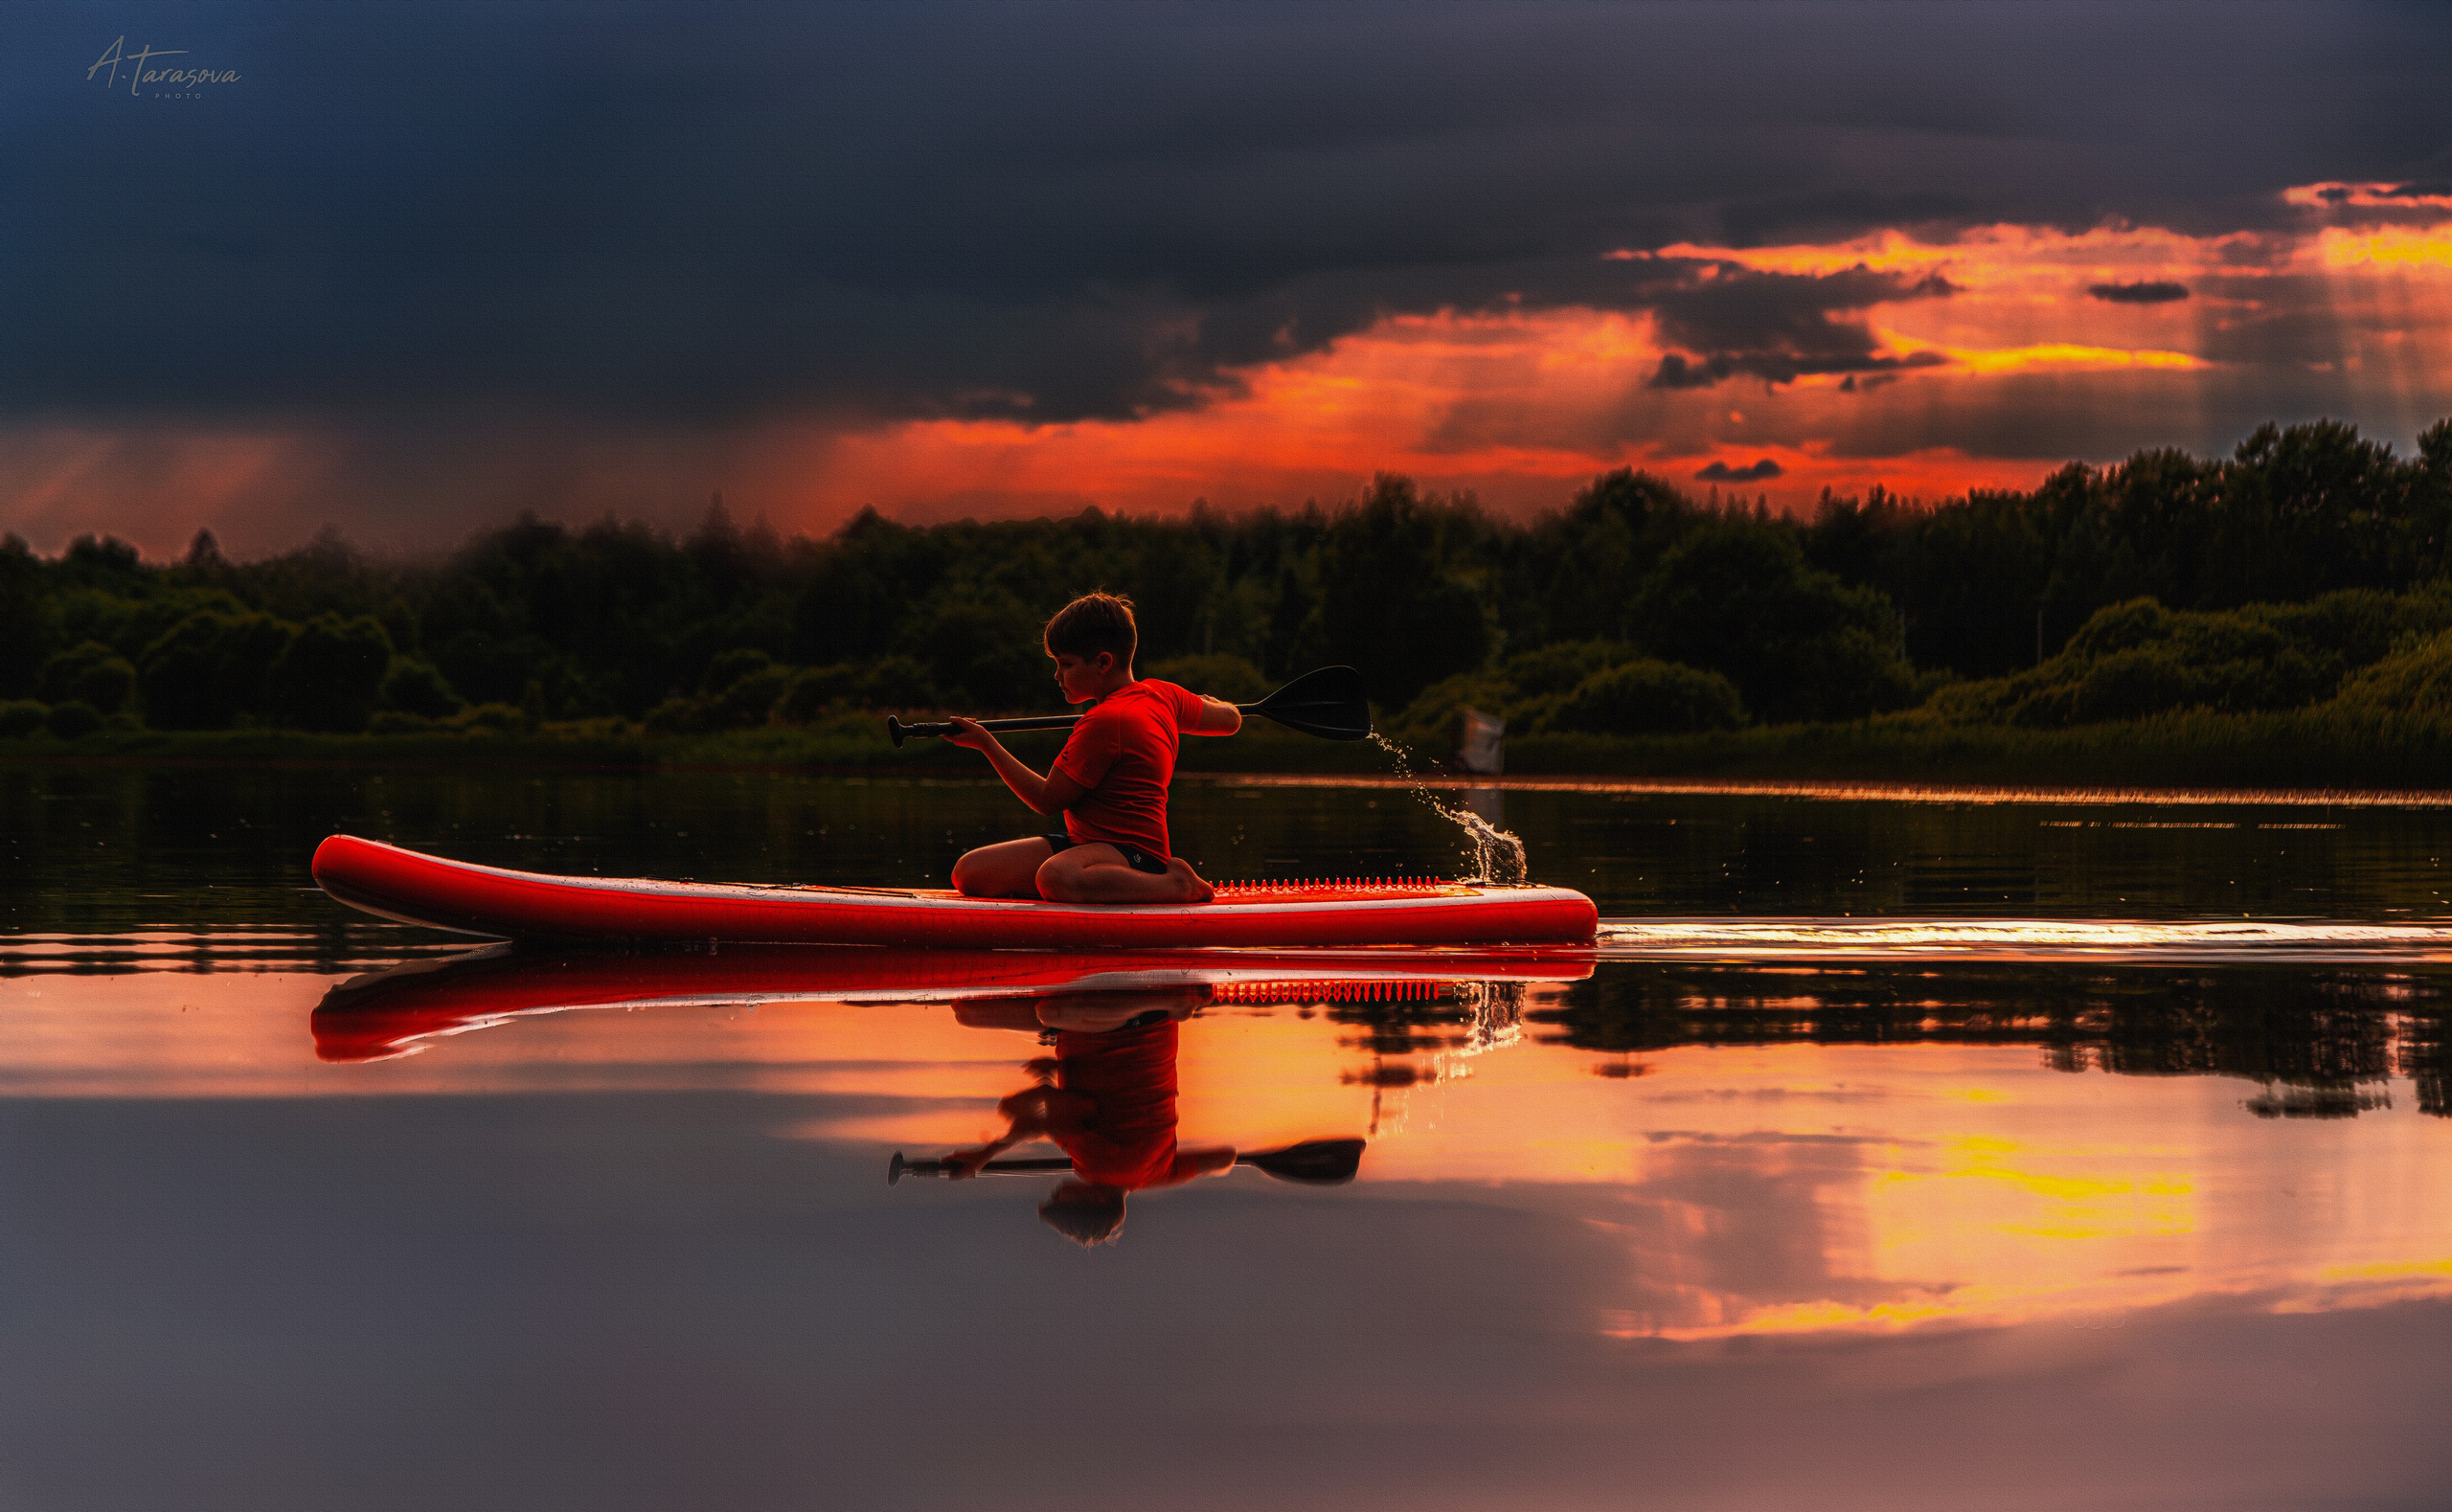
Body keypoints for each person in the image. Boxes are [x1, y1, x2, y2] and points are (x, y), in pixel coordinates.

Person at [947, 591, 1240, 904]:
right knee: (969, 872)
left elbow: (1047, 800)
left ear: (1103, 662)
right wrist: (1214, 703)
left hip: (1137, 857)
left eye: (1066, 664)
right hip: (1085, 845)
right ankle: (1081, 890)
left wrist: (986, 744)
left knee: (1055, 876)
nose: (1057, 675)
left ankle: (1178, 885)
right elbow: (1231, 720)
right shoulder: (1164, 694)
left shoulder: (1103, 722)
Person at [942, 987, 1237, 1248]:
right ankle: (1173, 1002)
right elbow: (1046, 1107)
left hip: (1083, 1030)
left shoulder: (1159, 1174)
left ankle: (1170, 1004)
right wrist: (985, 1153)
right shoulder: (1097, 1166)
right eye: (1060, 1199)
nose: (1055, 1191)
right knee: (1051, 1011)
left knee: (967, 1013)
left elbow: (1225, 1158)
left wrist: (1056, 1071)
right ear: (1096, 1200)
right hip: (1129, 1024)